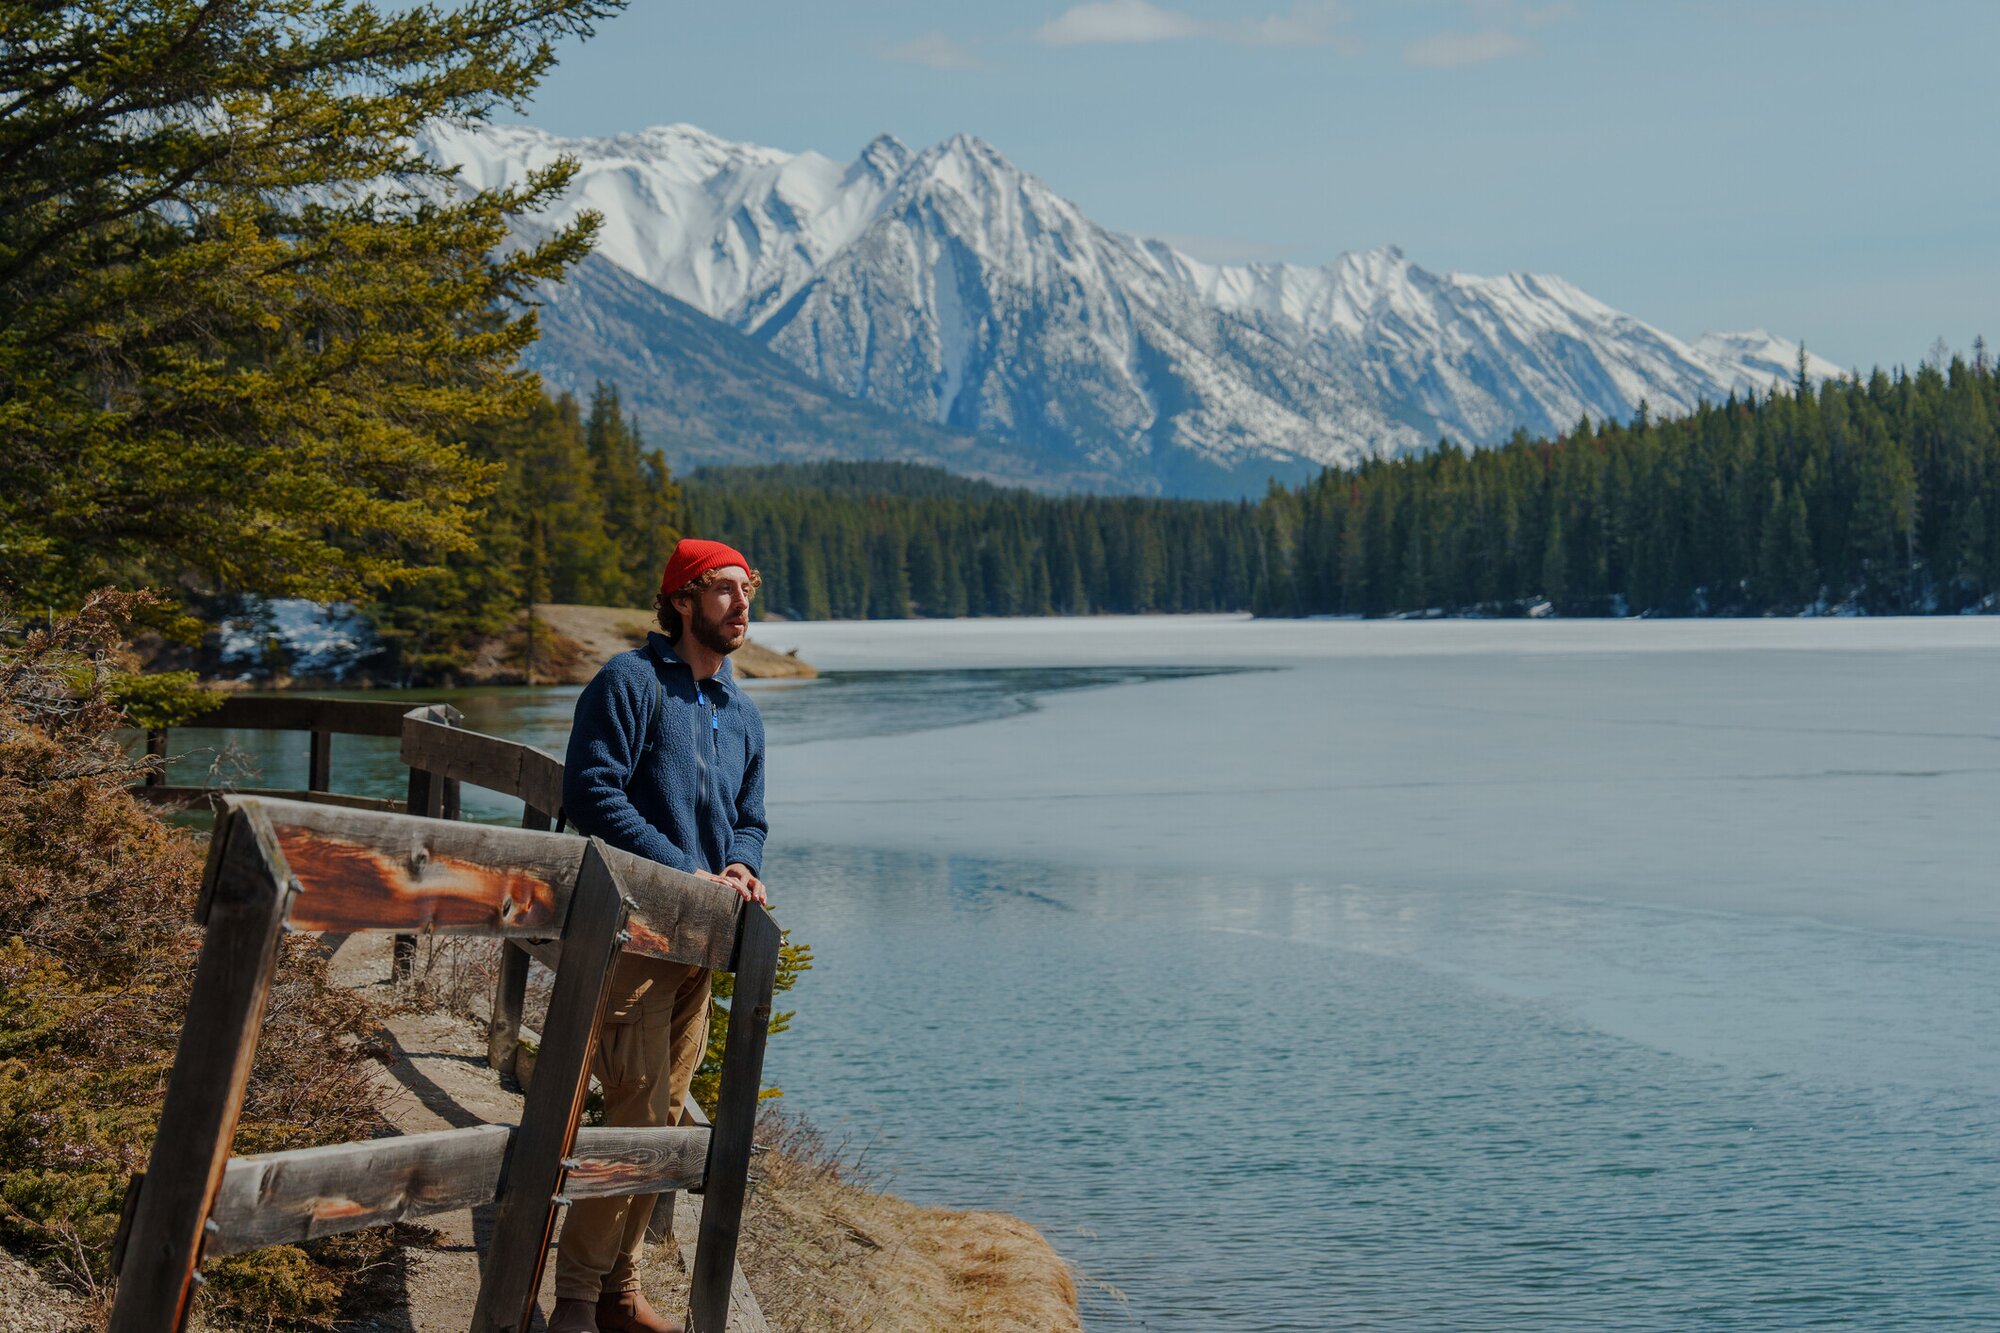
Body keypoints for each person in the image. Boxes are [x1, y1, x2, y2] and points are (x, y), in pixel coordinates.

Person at [548, 538, 770, 1333]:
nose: (741, 605)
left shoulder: (741, 711)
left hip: (698, 946)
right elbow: (591, 791)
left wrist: (739, 868)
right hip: (632, 938)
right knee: (635, 1114)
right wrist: (687, 873)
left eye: (747, 591)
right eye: (723, 591)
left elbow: (749, 817)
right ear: (680, 599)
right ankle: (575, 1297)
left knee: (667, 1119)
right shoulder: (630, 683)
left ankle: (616, 1292)